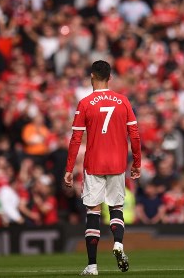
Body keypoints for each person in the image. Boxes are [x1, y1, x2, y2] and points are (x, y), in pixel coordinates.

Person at [64, 60, 142, 275]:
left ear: (92, 76)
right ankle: (118, 244)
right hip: (117, 164)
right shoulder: (123, 101)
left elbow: (75, 139)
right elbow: (134, 135)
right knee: (116, 207)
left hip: (94, 163)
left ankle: (92, 266)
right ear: (110, 78)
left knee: (93, 211)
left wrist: (69, 168)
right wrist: (137, 163)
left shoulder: (85, 103)